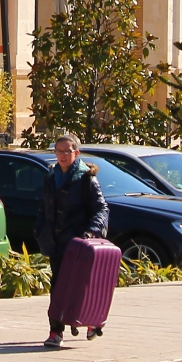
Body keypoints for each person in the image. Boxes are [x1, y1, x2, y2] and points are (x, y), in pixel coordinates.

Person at [37, 131, 108, 349]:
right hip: (56, 242)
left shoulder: (86, 179)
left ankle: (90, 322)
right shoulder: (51, 176)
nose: (62, 155)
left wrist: (90, 232)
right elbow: (44, 208)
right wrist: (40, 231)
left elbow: (101, 209)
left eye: (67, 151)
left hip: (79, 245)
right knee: (57, 288)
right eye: (59, 151)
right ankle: (55, 332)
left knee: (82, 286)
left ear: (76, 153)